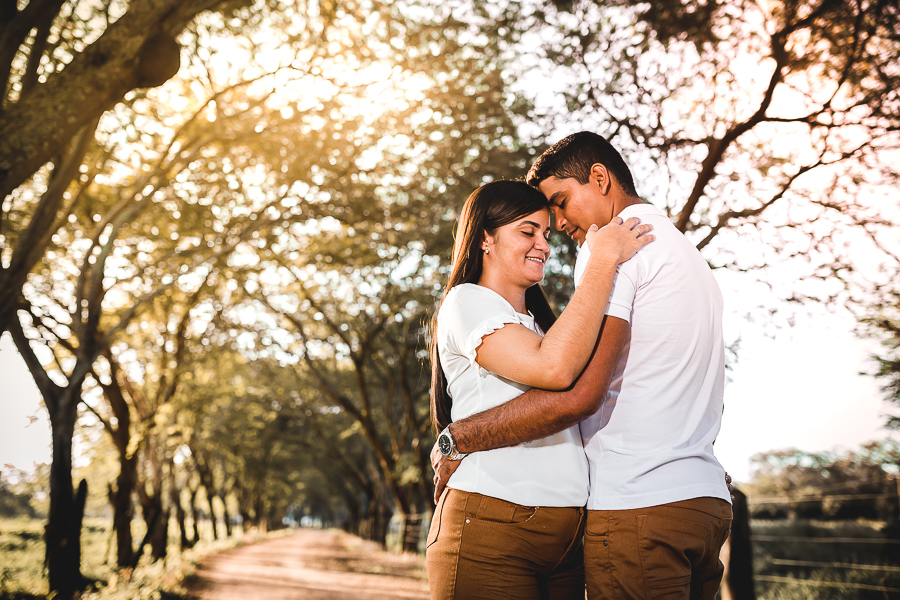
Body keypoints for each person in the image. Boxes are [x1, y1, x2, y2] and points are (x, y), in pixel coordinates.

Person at [431, 132, 733, 600]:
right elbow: (573, 379)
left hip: (624, 506)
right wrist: (692, 459)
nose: (553, 233)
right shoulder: (685, 257)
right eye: (529, 230)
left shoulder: (611, 249)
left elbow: (578, 391)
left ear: (600, 178)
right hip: (682, 501)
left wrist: (460, 437)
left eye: (557, 208)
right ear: (485, 239)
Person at [426, 179, 654, 600]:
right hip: (491, 523)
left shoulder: (544, 328)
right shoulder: (467, 301)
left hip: (566, 541)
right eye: (527, 231)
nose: (544, 246)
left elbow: (591, 398)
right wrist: (604, 258)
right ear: (485, 239)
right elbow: (553, 369)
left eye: (546, 233)